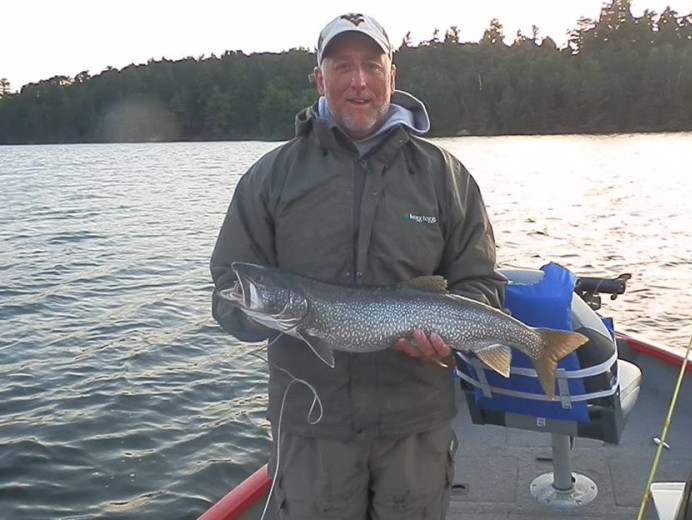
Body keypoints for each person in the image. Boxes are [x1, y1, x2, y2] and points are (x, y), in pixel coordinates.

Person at [210, 12, 505, 520]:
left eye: (372, 65)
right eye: (342, 66)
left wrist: (451, 331)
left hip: (415, 421)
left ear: (393, 75)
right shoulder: (270, 177)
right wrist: (252, 312)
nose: (359, 81)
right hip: (310, 424)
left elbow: (480, 282)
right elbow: (226, 290)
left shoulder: (445, 176)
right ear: (319, 80)